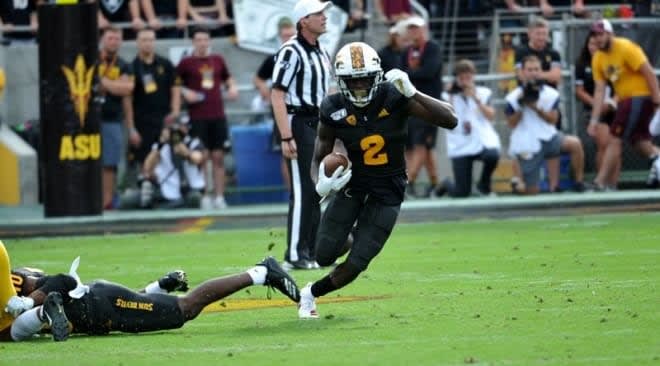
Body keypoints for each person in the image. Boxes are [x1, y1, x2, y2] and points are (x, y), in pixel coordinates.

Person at [297, 42, 457, 318]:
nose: (359, 87)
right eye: (353, 81)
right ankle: (352, 237)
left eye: (365, 79)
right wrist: (320, 182)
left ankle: (311, 294)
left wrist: (414, 92)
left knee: (358, 262)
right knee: (323, 255)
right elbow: (318, 157)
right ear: (341, 81)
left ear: (377, 76)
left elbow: (450, 119)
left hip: (388, 190)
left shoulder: (395, 96)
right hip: (353, 185)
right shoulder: (333, 106)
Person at [7, 256, 299, 341]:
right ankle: (160, 286)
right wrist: (158, 286)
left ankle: (261, 272)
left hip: (99, 305)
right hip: (101, 311)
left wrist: (29, 301)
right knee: (156, 308)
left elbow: (65, 281)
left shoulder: (12, 280)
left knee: (185, 309)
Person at [270, 0, 334, 270]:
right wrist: (286, 136)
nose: (324, 17)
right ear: (303, 20)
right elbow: (277, 93)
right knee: (302, 189)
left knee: (317, 190)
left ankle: (311, 251)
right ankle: (295, 253)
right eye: (318, 13)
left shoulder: (322, 52)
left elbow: (326, 93)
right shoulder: (291, 51)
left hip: (318, 123)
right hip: (298, 122)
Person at [588, 19, 660, 190]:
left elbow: (649, 73)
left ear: (610, 33)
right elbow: (599, 91)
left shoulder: (626, 47)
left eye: (601, 34)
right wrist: (594, 120)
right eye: (594, 35)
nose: (598, 38)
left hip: (639, 97)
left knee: (615, 138)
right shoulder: (598, 58)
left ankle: (600, 182)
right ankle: (658, 160)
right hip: (625, 100)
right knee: (639, 141)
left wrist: (657, 100)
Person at [176, 27, 239, 210]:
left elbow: (228, 79)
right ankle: (205, 195)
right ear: (193, 42)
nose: (202, 43)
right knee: (201, 157)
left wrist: (232, 87)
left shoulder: (217, 60)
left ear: (209, 41)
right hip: (197, 117)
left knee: (218, 157)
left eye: (205, 39)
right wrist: (185, 92)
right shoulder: (186, 63)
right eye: (199, 40)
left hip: (217, 115)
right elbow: (174, 84)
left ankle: (219, 197)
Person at [505, 55, 587, 195]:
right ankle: (519, 184)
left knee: (574, 143)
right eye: (529, 70)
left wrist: (536, 108)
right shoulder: (513, 97)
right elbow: (511, 124)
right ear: (523, 72)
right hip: (526, 141)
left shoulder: (551, 93)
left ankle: (577, 183)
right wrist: (522, 106)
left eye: (536, 69)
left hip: (549, 137)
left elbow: (553, 120)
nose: (533, 73)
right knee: (531, 191)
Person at [125, 28, 181, 187]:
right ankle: (148, 194)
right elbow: (127, 100)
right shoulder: (132, 67)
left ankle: (169, 193)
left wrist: (175, 112)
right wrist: (131, 128)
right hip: (142, 122)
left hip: (165, 121)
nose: (148, 43)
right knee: (145, 161)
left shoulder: (166, 64)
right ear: (137, 43)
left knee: (168, 157)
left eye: (151, 40)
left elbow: (176, 89)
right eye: (144, 40)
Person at [439, 59, 501, 198]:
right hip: (460, 144)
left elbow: (491, 116)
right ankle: (445, 184)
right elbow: (446, 119)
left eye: (468, 77)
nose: (465, 81)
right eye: (462, 78)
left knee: (493, 155)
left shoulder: (483, 93)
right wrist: (451, 96)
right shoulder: (447, 96)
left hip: (480, 141)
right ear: (456, 79)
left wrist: (475, 98)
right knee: (461, 193)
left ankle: (483, 186)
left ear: (473, 76)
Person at [400, 16, 444, 198]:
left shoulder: (432, 48)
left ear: (424, 29)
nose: (414, 32)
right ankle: (435, 183)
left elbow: (429, 72)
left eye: (416, 28)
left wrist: (410, 74)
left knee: (421, 145)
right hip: (412, 104)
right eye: (411, 29)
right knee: (422, 146)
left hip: (429, 104)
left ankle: (407, 184)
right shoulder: (407, 51)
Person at [253, 17, 297, 192]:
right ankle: (292, 192)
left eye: (290, 34)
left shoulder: (303, 55)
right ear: (280, 36)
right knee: (286, 153)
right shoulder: (275, 58)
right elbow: (258, 78)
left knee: (310, 152)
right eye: (285, 35)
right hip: (283, 110)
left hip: (303, 110)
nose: (287, 38)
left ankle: (311, 191)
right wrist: (264, 88)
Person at [574, 31, 619, 190]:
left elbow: (619, 85)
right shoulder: (582, 64)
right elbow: (579, 91)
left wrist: (612, 103)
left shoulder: (609, 63)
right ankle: (602, 183)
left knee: (615, 144)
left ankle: (613, 185)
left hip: (612, 109)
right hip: (593, 109)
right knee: (604, 143)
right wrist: (596, 105)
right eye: (591, 43)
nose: (594, 47)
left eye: (596, 43)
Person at [124, 123, 206, 209]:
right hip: (164, 190)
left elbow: (197, 158)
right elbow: (147, 167)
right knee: (128, 199)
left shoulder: (193, 142)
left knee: (195, 198)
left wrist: (185, 152)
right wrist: (161, 144)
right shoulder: (160, 146)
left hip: (188, 190)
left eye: (182, 127)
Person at [98, 27, 135, 210]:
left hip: (112, 118)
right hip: (87, 120)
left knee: (110, 163)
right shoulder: (91, 60)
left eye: (117, 38)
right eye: (110, 38)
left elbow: (127, 89)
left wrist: (104, 82)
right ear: (102, 40)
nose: (113, 42)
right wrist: (116, 85)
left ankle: (107, 202)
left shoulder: (124, 64)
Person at [1, 241, 69, 342]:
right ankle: (42, 313)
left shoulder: (18, 281)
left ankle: (43, 313)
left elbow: (64, 281)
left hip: (87, 302)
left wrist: (28, 301)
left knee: (3, 331)